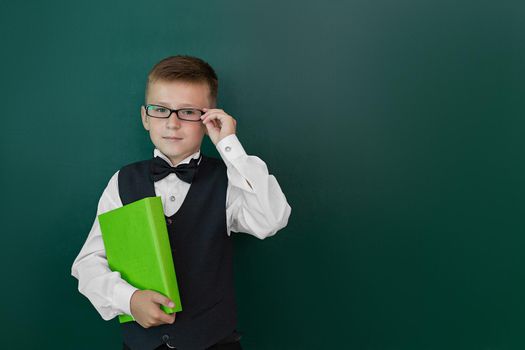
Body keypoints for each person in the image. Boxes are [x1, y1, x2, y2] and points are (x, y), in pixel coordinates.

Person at [71, 55, 291, 350]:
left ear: (207, 119)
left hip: (214, 343)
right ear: (145, 117)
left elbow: (271, 219)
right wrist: (130, 299)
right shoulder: (122, 182)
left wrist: (230, 146)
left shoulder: (228, 180)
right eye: (161, 110)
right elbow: (88, 264)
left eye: (188, 112)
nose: (172, 124)